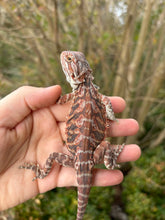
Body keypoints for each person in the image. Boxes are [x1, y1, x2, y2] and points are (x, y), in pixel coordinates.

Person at [0, 85, 140, 211]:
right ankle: (111, 161)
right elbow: (107, 106)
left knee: (55, 156)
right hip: (88, 156)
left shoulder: (81, 94)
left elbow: (60, 101)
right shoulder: (94, 96)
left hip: (77, 158)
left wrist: (58, 100)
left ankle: (42, 173)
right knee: (106, 145)